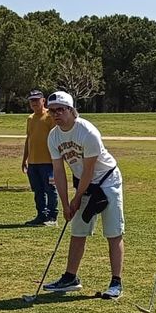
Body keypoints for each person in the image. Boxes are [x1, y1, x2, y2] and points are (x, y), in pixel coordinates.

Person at [40, 91, 125, 299]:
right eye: (52, 111)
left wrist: (76, 199)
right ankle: (71, 278)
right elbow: (58, 171)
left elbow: (89, 170)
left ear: (71, 110)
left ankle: (116, 283)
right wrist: (65, 203)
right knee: (78, 230)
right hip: (83, 183)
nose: (56, 115)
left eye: (60, 110)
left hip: (107, 180)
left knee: (113, 232)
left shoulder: (87, 132)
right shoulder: (54, 136)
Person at [21, 90, 58, 226]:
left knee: (50, 190)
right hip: (33, 163)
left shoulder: (50, 116)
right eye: (32, 100)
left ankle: (52, 217)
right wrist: (25, 158)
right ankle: (41, 215)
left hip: (48, 162)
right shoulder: (30, 118)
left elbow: (56, 137)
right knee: (38, 191)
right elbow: (28, 139)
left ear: (43, 101)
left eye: (37, 100)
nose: (34, 103)